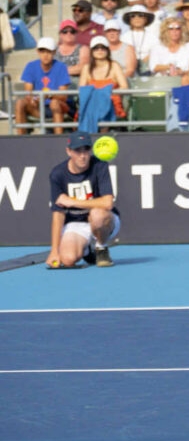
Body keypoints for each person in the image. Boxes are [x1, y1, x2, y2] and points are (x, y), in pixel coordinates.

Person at [46, 132, 120, 268]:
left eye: (86, 150)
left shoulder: (100, 166)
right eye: (77, 151)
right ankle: (87, 250)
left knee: (97, 214)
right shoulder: (57, 174)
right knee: (68, 259)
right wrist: (54, 251)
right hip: (76, 223)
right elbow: (58, 215)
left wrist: (73, 202)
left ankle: (101, 248)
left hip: (104, 221)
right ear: (68, 151)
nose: (82, 155)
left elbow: (108, 203)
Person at [14, 37, 74, 135]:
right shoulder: (31, 66)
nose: (45, 55)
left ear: (54, 52)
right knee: (20, 103)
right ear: (38, 52)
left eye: (49, 51)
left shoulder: (61, 67)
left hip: (56, 106)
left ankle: (58, 140)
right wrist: (32, 99)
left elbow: (63, 96)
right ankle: (21, 141)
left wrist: (48, 95)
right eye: (42, 51)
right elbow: (27, 92)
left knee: (54, 103)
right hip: (38, 107)